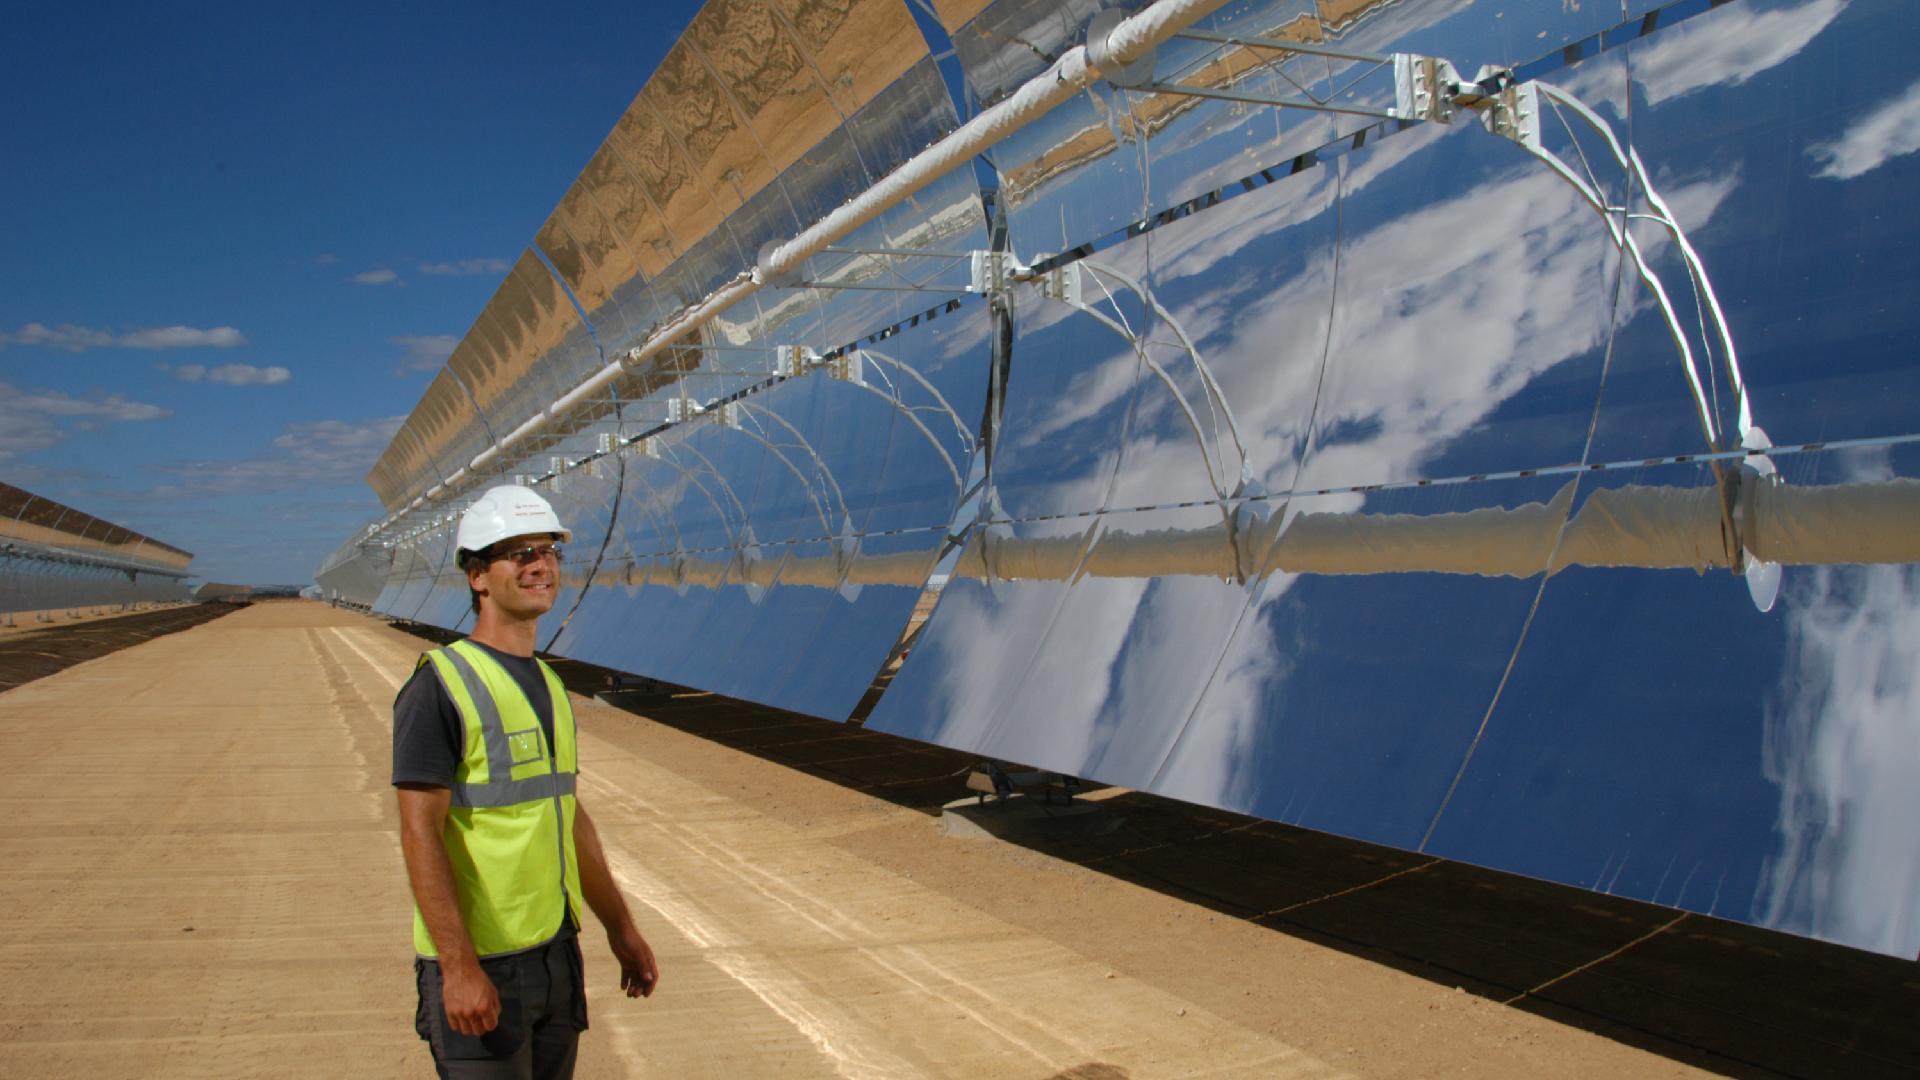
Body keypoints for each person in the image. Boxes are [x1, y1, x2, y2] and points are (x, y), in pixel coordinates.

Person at [392, 484, 659, 1079]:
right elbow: (419, 833)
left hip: (555, 955)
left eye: (549, 552)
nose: (541, 565)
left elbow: (567, 816)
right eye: (519, 554)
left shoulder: (551, 686)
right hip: (484, 961)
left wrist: (621, 928)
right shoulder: (440, 685)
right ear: (477, 576)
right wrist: (458, 967)